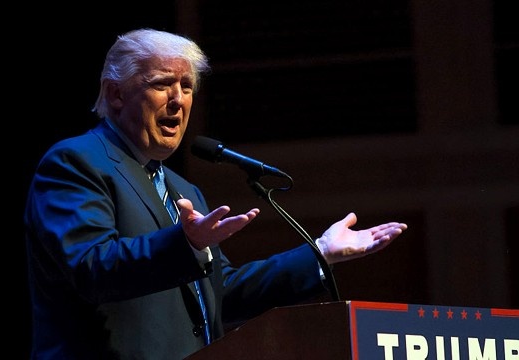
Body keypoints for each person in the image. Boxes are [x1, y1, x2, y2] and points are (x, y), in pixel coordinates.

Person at [24, 28, 408, 359]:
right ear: (117, 93)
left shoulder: (183, 189)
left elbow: (224, 295)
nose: (179, 100)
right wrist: (184, 244)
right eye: (162, 84)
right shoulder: (76, 163)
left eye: (187, 87)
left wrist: (320, 254)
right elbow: (90, 267)